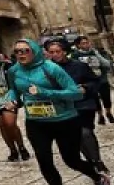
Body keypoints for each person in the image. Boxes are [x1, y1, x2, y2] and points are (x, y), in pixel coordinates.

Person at [5, 38, 114, 185]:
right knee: (44, 161)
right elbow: (13, 90)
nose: (21, 54)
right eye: (17, 51)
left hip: (65, 120)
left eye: (25, 50)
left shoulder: (51, 68)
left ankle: (98, 178)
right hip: (36, 122)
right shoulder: (13, 71)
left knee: (71, 160)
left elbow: (74, 93)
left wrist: (45, 92)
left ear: (34, 51)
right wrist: (11, 99)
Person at [45, 38, 110, 177]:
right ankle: (90, 161)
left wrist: (85, 88)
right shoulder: (46, 70)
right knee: (76, 136)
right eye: (51, 52)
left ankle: (97, 161)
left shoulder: (78, 66)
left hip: (82, 104)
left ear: (64, 52)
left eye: (58, 51)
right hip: (62, 107)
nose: (55, 54)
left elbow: (94, 81)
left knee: (85, 132)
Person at [71, 35, 114, 124]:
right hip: (89, 81)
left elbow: (107, 64)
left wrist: (97, 55)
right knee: (95, 99)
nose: (86, 45)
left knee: (106, 97)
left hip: (101, 79)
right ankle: (100, 116)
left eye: (87, 42)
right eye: (83, 43)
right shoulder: (75, 56)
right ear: (78, 45)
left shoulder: (97, 52)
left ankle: (109, 113)